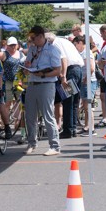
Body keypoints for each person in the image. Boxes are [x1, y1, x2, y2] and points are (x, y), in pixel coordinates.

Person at [22, 26, 62, 156]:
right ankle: (32, 143)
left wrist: (43, 75)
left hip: (46, 84)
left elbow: (57, 70)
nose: (32, 41)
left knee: (48, 115)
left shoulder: (52, 49)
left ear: (41, 36)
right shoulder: (32, 49)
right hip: (32, 83)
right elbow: (27, 63)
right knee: (30, 116)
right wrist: (26, 68)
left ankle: (54, 146)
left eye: (33, 38)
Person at [52, 33, 85, 139]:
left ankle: (68, 130)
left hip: (70, 71)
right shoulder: (64, 41)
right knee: (74, 102)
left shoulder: (55, 43)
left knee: (68, 102)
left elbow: (63, 59)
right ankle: (73, 128)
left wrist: (63, 76)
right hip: (77, 69)